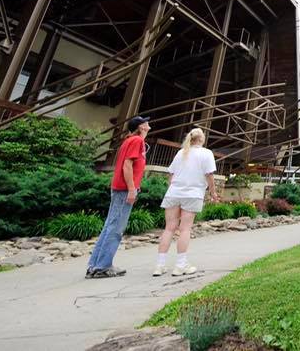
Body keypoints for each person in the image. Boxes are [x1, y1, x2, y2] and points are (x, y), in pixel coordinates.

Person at [86, 115, 150, 279]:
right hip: (124, 189)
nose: (149, 126)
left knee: (110, 225)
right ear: (141, 127)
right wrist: (131, 189)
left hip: (119, 188)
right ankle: (103, 267)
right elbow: (127, 166)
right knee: (116, 229)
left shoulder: (128, 141)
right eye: (146, 124)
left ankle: (95, 265)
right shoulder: (137, 141)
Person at [154, 128, 218, 276]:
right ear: (202, 139)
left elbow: (171, 175)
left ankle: (159, 265)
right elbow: (209, 175)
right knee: (185, 229)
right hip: (193, 193)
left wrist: (173, 188)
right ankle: (180, 265)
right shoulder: (206, 153)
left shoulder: (181, 152)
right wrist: (213, 192)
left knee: (169, 229)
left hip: (174, 192)